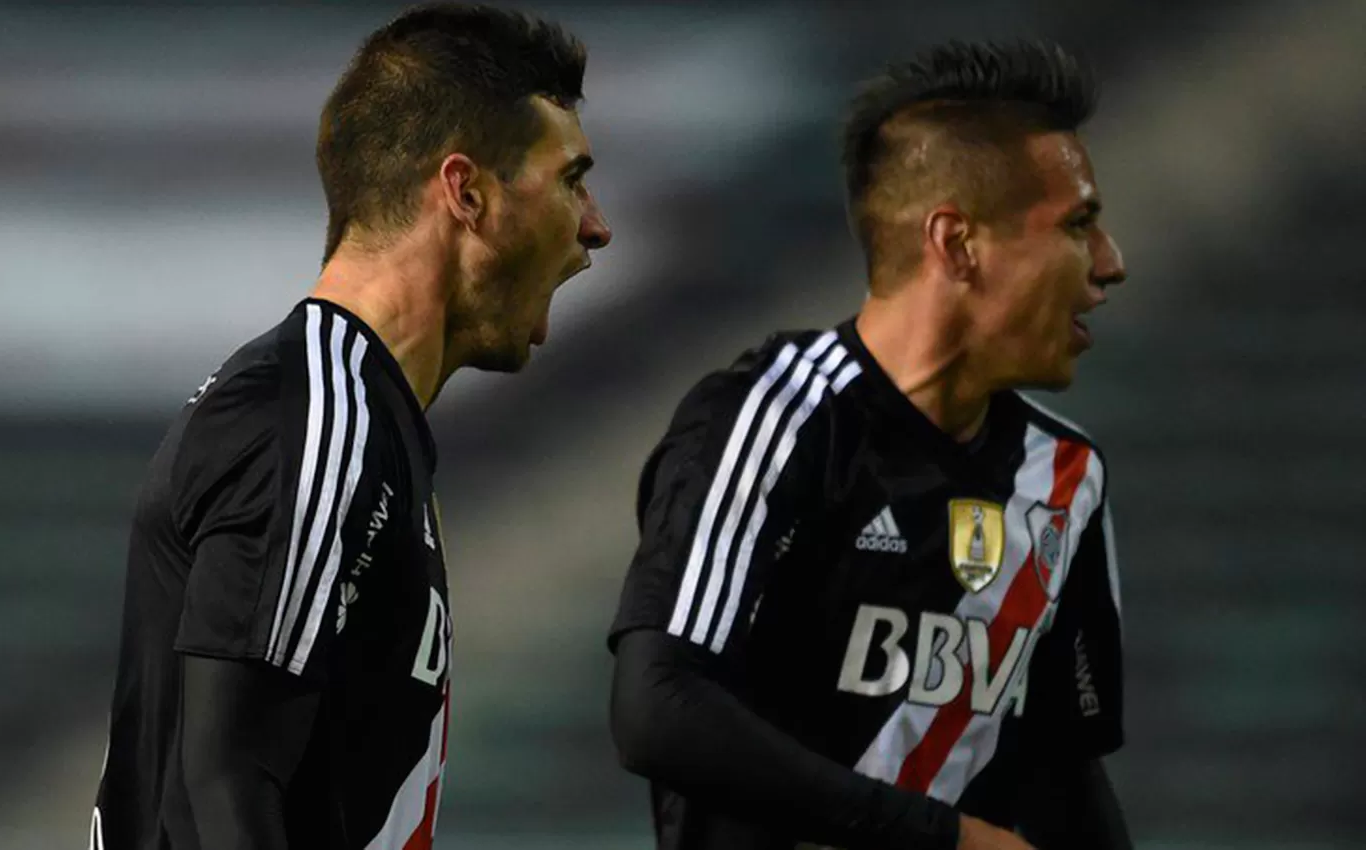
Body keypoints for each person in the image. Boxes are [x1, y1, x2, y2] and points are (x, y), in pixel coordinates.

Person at [90, 4, 610, 849]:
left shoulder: (362, 419)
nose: (596, 226)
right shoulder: (316, 416)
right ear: (466, 192)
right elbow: (225, 782)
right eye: (571, 178)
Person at [608, 40, 1129, 850]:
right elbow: (658, 709)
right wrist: (939, 836)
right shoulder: (772, 419)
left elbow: (1060, 768)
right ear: (956, 243)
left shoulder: (1064, 478)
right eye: (1079, 225)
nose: (1110, 264)